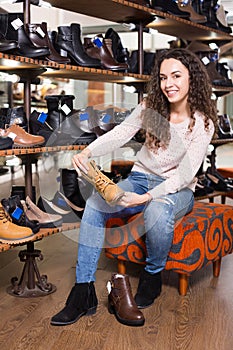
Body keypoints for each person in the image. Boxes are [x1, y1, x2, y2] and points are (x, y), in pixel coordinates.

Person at [50, 48, 218, 327]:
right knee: (94, 204)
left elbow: (185, 173)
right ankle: (83, 292)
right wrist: (88, 151)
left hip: (177, 189)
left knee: (156, 211)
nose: (169, 84)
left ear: (192, 78)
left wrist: (147, 196)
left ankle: (152, 276)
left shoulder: (203, 123)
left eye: (176, 76)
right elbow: (119, 133)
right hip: (140, 177)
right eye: (163, 77)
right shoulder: (150, 107)